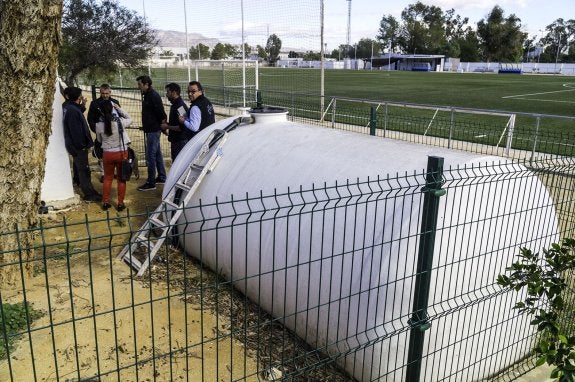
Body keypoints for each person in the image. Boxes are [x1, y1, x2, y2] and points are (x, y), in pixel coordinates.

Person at [62, 87, 102, 202]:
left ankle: (81, 184)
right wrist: (82, 145)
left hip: (74, 145)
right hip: (79, 146)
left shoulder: (67, 107)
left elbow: (77, 110)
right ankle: (89, 194)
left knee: (80, 168)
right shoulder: (72, 111)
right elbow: (76, 131)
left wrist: (82, 105)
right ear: (78, 97)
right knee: (84, 170)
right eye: (80, 96)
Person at [95, 100, 132, 211]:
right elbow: (130, 119)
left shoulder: (98, 125)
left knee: (108, 178)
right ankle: (120, 204)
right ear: (112, 109)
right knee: (121, 179)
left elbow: (99, 140)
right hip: (121, 153)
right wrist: (119, 108)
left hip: (107, 154)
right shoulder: (120, 121)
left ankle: (105, 202)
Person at [136, 75, 167, 191]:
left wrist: (162, 127)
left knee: (150, 156)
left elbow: (161, 113)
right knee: (157, 154)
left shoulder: (153, 96)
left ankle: (151, 182)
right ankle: (162, 177)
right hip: (151, 129)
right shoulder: (148, 95)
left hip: (153, 130)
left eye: (140, 85)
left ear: (146, 84)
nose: (139, 87)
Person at [161, 83, 190, 161]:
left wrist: (167, 127)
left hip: (180, 142)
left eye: (168, 92)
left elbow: (182, 128)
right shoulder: (175, 105)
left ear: (174, 93)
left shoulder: (180, 107)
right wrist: (167, 124)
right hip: (176, 141)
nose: (166, 95)